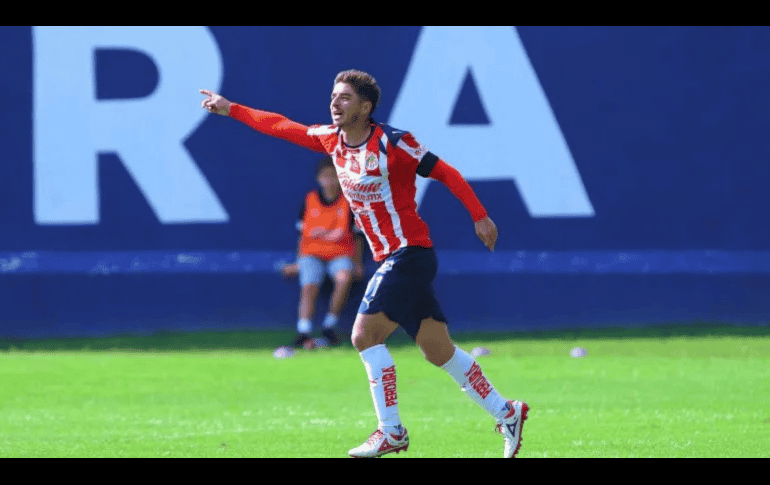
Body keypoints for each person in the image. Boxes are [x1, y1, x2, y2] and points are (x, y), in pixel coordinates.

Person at [200, 69, 529, 458]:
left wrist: (480, 215)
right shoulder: (331, 140)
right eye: (333, 96)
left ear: (366, 107)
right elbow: (280, 126)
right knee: (437, 349)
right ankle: (507, 411)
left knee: (363, 336)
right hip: (394, 259)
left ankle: (390, 431)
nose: (334, 104)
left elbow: (446, 172)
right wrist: (231, 109)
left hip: (410, 253)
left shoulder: (394, 143)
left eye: (344, 98)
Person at [279, 156, 365, 348]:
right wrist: (297, 262)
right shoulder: (309, 200)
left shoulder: (349, 202)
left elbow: (358, 236)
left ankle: (329, 327)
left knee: (343, 278)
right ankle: (303, 331)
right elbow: (302, 236)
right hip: (312, 254)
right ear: (319, 178)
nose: (329, 180)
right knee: (309, 285)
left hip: (341, 254)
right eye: (325, 176)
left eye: (333, 176)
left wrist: (357, 264)